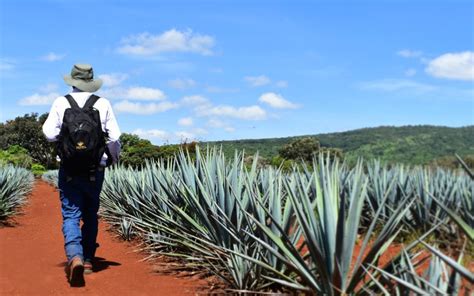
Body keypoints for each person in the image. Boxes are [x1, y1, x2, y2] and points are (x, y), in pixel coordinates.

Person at [42, 63, 121, 286]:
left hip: (69, 168)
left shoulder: (61, 102)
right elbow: (115, 137)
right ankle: (87, 260)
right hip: (95, 169)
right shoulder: (102, 103)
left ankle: (74, 256)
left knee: (70, 214)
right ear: (91, 81)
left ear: (73, 81)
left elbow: (48, 134)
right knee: (91, 213)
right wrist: (112, 158)